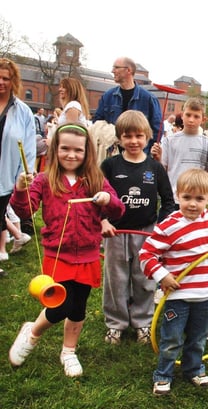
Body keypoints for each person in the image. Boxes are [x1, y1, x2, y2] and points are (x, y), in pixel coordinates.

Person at [8, 122, 125, 377]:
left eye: (78, 150)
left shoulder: (95, 179)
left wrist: (108, 200)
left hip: (87, 254)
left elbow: (118, 209)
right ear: (55, 149)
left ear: (87, 153)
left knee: (78, 306)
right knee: (60, 304)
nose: (71, 155)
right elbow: (25, 210)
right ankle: (33, 332)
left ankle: (68, 351)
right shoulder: (43, 179)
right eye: (65, 149)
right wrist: (20, 190)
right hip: (57, 253)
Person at [139, 168, 208, 396]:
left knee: (199, 336)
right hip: (178, 294)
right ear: (177, 196)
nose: (193, 204)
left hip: (206, 292)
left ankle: (193, 369)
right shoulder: (168, 225)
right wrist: (163, 275)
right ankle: (163, 375)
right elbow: (146, 255)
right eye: (187, 198)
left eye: (199, 199)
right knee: (172, 337)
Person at [100, 111, 174, 345]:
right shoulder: (110, 165)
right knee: (116, 279)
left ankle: (142, 321)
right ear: (119, 138)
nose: (133, 141)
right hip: (115, 231)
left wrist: (159, 228)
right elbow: (97, 195)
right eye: (127, 136)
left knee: (143, 278)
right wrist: (102, 220)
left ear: (148, 137)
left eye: (139, 135)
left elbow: (168, 200)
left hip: (146, 232)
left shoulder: (155, 167)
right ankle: (116, 323)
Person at [0, 58, 37, 278]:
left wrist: (26, 173)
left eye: (6, 78)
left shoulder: (22, 111)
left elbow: (29, 144)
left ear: (14, 81)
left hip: (6, 174)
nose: (2, 82)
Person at [156, 97, 208, 210]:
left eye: (196, 116)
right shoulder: (170, 140)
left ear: (203, 119)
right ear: (182, 115)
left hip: (197, 199)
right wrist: (157, 158)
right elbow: (163, 169)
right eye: (188, 115)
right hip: (173, 198)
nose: (191, 120)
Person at [93, 57, 162, 154]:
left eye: (116, 67)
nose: (113, 71)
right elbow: (97, 123)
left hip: (138, 159)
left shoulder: (148, 99)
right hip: (113, 156)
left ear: (128, 70)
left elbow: (157, 131)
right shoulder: (107, 96)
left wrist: (146, 155)